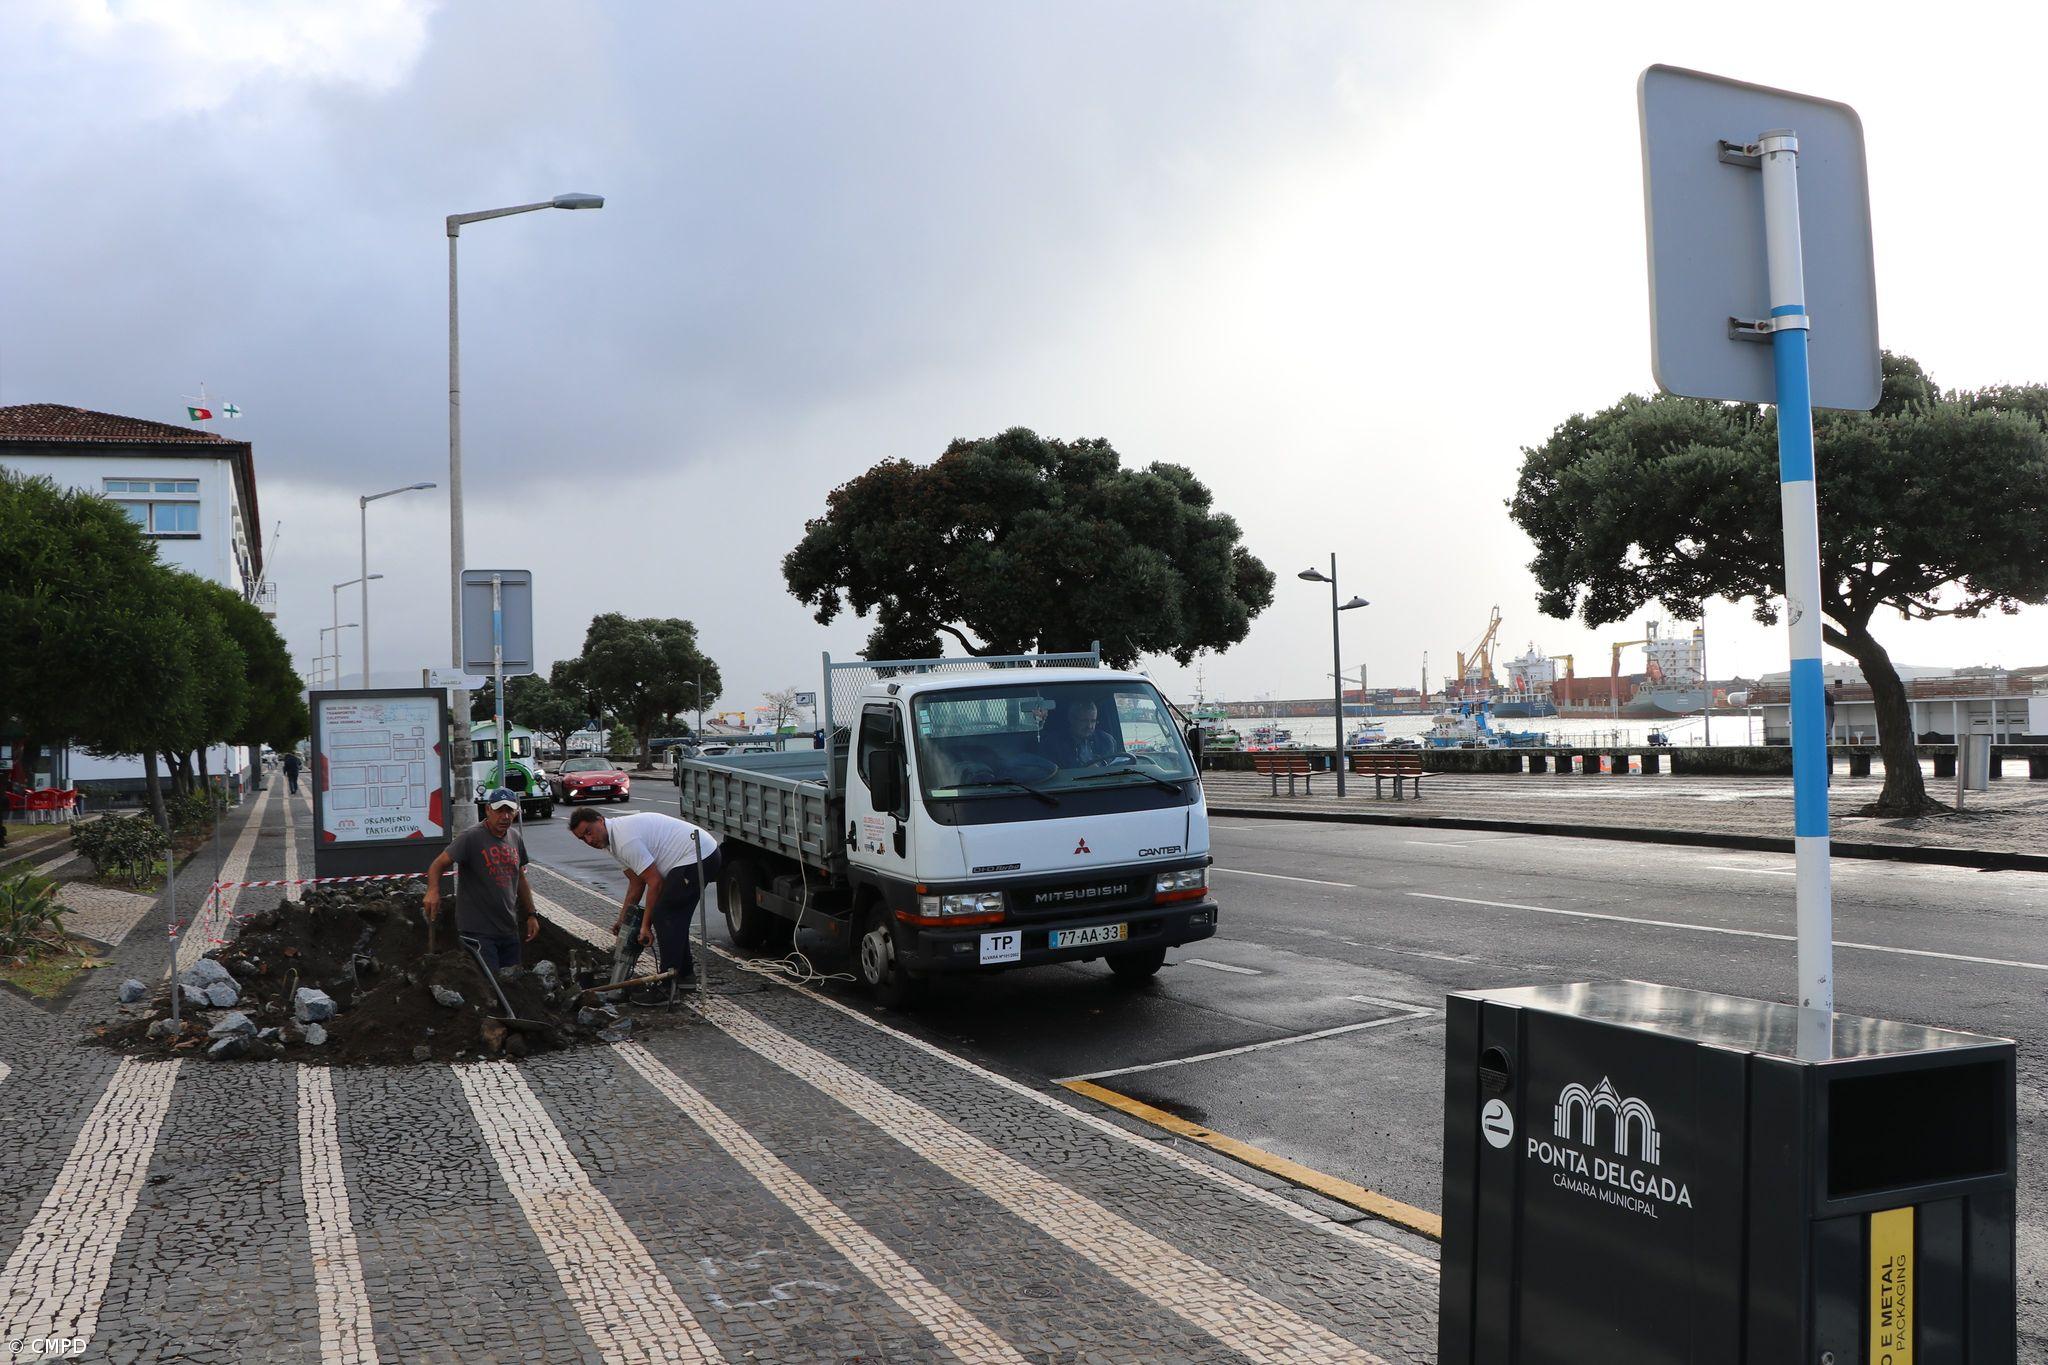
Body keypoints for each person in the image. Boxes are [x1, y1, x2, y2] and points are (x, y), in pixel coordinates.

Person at [569, 806, 723, 999]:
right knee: (674, 918)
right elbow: (636, 883)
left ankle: (668, 985)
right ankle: (684, 978)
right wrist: (623, 919)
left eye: (589, 832)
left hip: (698, 856)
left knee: (664, 915)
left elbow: (655, 882)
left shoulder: (625, 841)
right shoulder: (613, 843)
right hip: (696, 855)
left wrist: (645, 927)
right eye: (582, 838)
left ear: (600, 820)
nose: (589, 840)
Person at [422, 788, 538, 972]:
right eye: (500, 811)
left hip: (508, 929)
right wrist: (432, 890)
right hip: (478, 931)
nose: (505, 816)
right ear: (488, 810)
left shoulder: (515, 837)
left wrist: (531, 914)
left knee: (514, 984)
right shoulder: (472, 837)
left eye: (510, 811)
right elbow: (438, 864)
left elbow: (520, 878)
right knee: (489, 985)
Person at [1039, 699, 1119, 768]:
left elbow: (1115, 766)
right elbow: (1051, 774)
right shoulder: (1054, 744)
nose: (1089, 726)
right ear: (1071, 719)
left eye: (1093, 721)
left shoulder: (1107, 741)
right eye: (1084, 721)